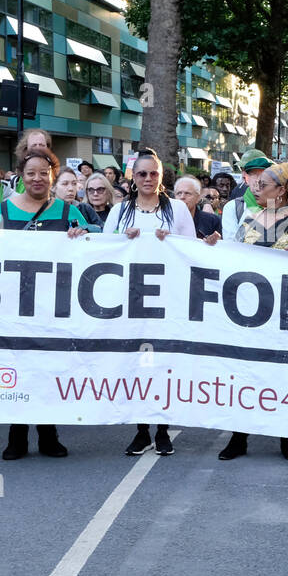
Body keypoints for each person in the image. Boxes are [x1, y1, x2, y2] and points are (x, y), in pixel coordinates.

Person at [0, 149, 87, 460]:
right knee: (18, 367)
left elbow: (95, 248)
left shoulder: (69, 212)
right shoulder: (3, 212)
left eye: (43, 173)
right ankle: (17, 435)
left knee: (49, 368)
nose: (37, 178)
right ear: (21, 176)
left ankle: (49, 434)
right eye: (30, 173)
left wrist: (83, 235)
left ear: (53, 175)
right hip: (15, 307)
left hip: (55, 306)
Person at [217, 161, 288, 462]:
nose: (257, 187)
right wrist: (213, 247)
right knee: (247, 371)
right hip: (254, 310)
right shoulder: (250, 218)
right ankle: (239, 437)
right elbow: (232, 257)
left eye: (264, 184)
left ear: (283, 190)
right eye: (257, 182)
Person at [104, 150, 195, 459]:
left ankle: (162, 430)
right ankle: (141, 431)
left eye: (153, 173)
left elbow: (192, 253)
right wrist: (122, 240)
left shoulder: (178, 210)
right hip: (131, 302)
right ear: (133, 177)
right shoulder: (119, 212)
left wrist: (172, 242)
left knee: (164, 365)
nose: (148, 179)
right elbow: (105, 253)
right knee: (137, 365)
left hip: (167, 302)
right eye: (142, 174)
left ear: (161, 176)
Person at [220, 149, 273, 242]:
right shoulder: (233, 207)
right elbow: (232, 245)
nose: (260, 181)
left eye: (265, 174)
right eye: (255, 174)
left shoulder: (286, 208)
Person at [174, 176, 222, 242]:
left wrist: (213, 242)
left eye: (187, 193)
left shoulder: (212, 221)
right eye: (179, 193)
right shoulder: (165, 219)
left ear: (198, 198)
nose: (182, 197)